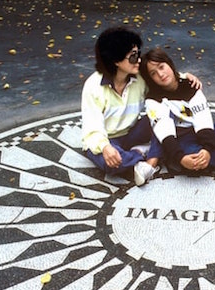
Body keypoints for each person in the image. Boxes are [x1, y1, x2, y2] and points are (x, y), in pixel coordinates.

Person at [81, 27, 200, 185]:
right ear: (115, 60)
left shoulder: (139, 78)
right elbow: (92, 128)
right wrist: (105, 147)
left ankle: (149, 163)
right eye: (133, 57)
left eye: (138, 54)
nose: (138, 60)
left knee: (167, 110)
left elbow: (162, 77)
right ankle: (142, 154)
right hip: (107, 139)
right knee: (109, 162)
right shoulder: (93, 86)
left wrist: (184, 77)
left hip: (133, 132)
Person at [139, 47, 215, 174]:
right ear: (150, 79)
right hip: (180, 136)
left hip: (199, 127)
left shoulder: (190, 86)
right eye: (153, 73)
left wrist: (207, 149)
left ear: (169, 63)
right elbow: (164, 131)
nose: (160, 74)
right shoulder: (153, 100)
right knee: (193, 163)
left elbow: (203, 119)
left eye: (161, 67)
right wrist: (181, 158)